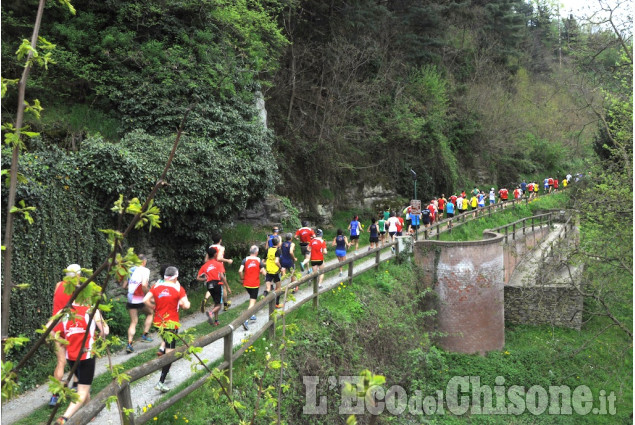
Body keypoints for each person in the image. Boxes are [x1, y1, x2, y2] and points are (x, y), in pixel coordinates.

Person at [53, 301, 109, 425]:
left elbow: (49, 329)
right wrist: (101, 334)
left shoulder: (64, 311)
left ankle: (89, 412)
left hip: (71, 356)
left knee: (84, 385)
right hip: (86, 355)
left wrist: (62, 339)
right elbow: (105, 331)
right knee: (82, 391)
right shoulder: (92, 309)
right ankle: (64, 418)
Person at [143, 266, 190, 392]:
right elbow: (186, 305)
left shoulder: (156, 286)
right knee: (171, 353)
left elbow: (145, 300)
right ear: (176, 277)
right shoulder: (178, 288)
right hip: (171, 324)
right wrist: (182, 304)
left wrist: (154, 308)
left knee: (166, 348)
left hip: (159, 323)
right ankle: (161, 382)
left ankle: (166, 369)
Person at [48, 264, 82, 407]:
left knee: (61, 361)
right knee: (76, 357)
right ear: (78, 275)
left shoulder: (58, 285)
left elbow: (55, 304)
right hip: (70, 326)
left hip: (56, 326)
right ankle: (77, 384)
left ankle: (55, 395)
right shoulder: (79, 288)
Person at [123, 254, 153, 353]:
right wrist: (149, 294)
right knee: (150, 313)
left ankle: (129, 344)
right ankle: (144, 334)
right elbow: (144, 285)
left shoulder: (130, 270)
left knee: (133, 321)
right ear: (144, 262)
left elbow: (124, 286)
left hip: (131, 297)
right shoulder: (145, 270)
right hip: (140, 297)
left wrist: (132, 288)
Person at [238, 246, 266, 331]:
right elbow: (264, 272)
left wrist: (242, 278)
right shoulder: (258, 260)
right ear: (256, 252)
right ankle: (245, 319)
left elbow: (240, 271)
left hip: (246, 284)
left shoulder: (245, 259)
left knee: (252, 299)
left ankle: (252, 315)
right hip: (254, 284)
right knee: (252, 302)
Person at [197, 247, 225, 326]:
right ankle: (210, 313)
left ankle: (216, 321)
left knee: (216, 302)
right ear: (216, 254)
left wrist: (205, 279)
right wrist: (227, 286)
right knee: (219, 305)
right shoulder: (218, 264)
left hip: (209, 285)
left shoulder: (204, 266)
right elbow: (222, 277)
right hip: (217, 284)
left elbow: (198, 278)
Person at [210, 234, 233, 311]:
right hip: (219, 269)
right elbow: (219, 258)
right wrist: (228, 260)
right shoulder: (221, 248)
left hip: (211, 269)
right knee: (223, 287)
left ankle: (215, 303)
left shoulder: (210, 247)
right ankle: (225, 305)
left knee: (212, 286)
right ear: (220, 240)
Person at [265, 236, 283, 308]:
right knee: (278, 288)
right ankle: (277, 304)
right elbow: (276, 261)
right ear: (278, 243)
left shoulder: (268, 250)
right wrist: (280, 267)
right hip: (275, 271)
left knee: (268, 288)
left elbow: (264, 261)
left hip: (268, 270)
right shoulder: (278, 251)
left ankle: (263, 300)